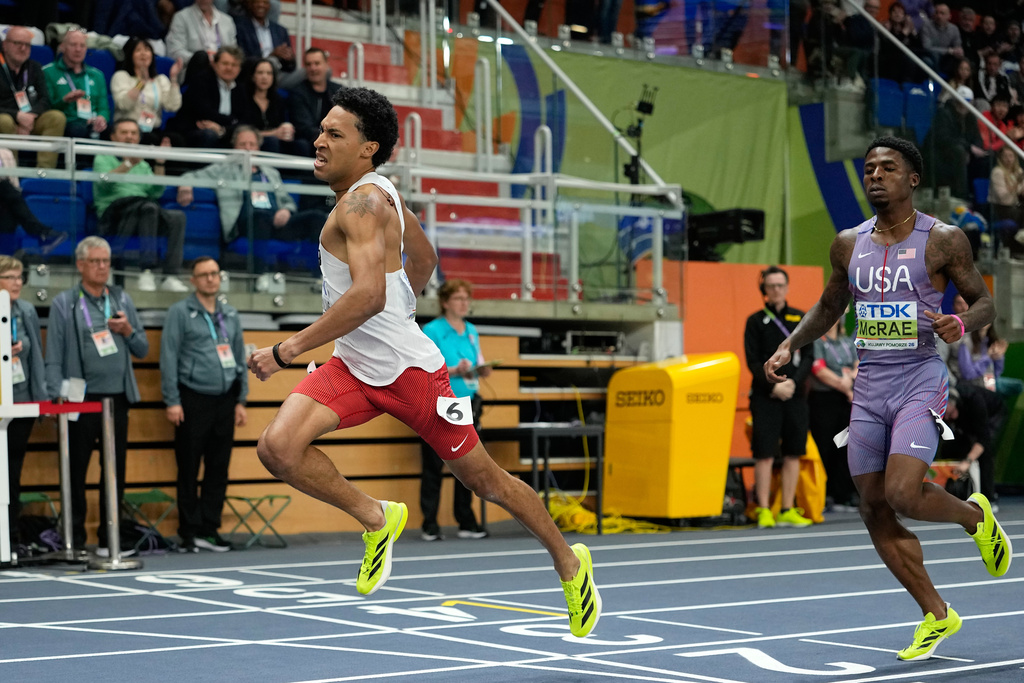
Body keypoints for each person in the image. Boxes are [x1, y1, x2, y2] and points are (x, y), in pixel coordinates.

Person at [245, 87, 600, 638]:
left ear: (369, 148)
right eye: (321, 130)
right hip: (353, 365)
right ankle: (375, 517)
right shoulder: (382, 192)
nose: (318, 140)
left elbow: (367, 296)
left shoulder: (362, 203)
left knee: (487, 483)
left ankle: (570, 563)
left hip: (411, 374)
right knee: (277, 447)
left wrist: (286, 350)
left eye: (335, 134)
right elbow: (425, 259)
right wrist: (399, 306)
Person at [764, 136, 1012, 661]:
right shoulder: (847, 244)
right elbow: (829, 307)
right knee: (874, 506)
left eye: (888, 168)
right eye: (869, 168)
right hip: (869, 385)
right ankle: (937, 615)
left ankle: (974, 517)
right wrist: (790, 342)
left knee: (902, 492)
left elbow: (986, 303)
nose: (875, 175)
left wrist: (960, 321)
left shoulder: (943, 240)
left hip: (920, 376)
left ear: (912, 178)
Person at [45, 237, 149, 554]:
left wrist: (128, 330)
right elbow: (54, 354)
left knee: (114, 472)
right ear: (80, 265)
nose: (103, 267)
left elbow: (142, 348)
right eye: (96, 261)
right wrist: (54, 396)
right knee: (75, 470)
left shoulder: (120, 299)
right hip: (80, 399)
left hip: (116, 399)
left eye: (106, 261)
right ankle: (74, 538)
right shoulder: (65, 302)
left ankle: (110, 538)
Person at [160, 256, 248, 553]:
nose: (211, 278)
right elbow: (169, 358)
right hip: (192, 398)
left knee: (218, 468)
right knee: (188, 467)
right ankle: (188, 532)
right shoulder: (180, 313)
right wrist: (172, 400)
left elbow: (238, 358)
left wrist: (241, 399)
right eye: (204, 274)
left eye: (215, 273)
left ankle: (209, 530)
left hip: (225, 401)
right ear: (193, 280)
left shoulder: (231, 314)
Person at [177, 125, 325, 259]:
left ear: (258, 148)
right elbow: (190, 176)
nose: (247, 149)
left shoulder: (270, 172)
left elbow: (287, 200)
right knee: (261, 217)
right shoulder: (223, 168)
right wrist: (185, 187)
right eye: (242, 144)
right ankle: (259, 276)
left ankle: (318, 279)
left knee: (316, 218)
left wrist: (286, 210)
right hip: (246, 224)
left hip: (276, 222)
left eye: (252, 144)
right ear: (234, 147)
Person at [419, 278, 491, 541]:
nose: (464, 304)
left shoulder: (472, 330)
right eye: (459, 299)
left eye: (466, 299)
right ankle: (429, 522)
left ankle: (465, 519)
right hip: (440, 402)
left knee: (470, 463)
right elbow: (425, 369)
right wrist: (454, 370)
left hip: (469, 402)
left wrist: (482, 369)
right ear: (445, 302)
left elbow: (478, 360)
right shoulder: (432, 330)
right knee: (433, 464)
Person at [743, 265, 815, 529]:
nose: (776, 290)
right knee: (764, 453)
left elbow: (809, 355)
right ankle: (763, 509)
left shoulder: (800, 318)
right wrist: (774, 386)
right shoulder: (754, 321)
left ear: (786, 287)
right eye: (771, 286)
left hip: (795, 395)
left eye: (780, 285)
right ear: (764, 290)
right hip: (766, 396)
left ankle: (786, 508)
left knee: (794, 452)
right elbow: (752, 361)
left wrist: (794, 383)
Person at [93, 118, 188, 292]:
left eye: (133, 133)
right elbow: (105, 184)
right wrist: (129, 163)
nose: (129, 137)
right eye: (124, 133)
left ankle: (170, 275)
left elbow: (156, 191)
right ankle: (147, 271)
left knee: (177, 217)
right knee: (148, 207)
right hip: (113, 212)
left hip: (143, 209)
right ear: (113, 137)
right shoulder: (103, 157)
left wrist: (160, 163)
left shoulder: (143, 165)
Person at [0, 254, 46, 547]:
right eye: (10, 277)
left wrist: (40, 398)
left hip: (22, 399)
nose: (17, 283)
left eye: (20, 277)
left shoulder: (26, 310)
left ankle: (11, 535)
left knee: (14, 470)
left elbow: (37, 358)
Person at [809, 316, 858, 511]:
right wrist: (842, 384)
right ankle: (823, 494)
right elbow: (818, 369)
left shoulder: (847, 342)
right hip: (823, 400)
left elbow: (857, 364)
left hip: (846, 401)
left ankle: (842, 495)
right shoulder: (818, 341)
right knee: (825, 447)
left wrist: (851, 380)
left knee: (845, 447)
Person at [0, 26, 67, 168]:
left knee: (56, 117)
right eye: (18, 43)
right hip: (5, 116)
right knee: (4, 121)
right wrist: (17, 116)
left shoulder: (34, 67)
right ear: (5, 45)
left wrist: (29, 117)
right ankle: (11, 173)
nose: (23, 48)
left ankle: (44, 174)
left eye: (27, 45)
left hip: (30, 118)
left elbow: (45, 100)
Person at [109, 37, 184, 147]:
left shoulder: (160, 79)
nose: (143, 54)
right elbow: (124, 104)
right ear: (130, 55)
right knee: (150, 140)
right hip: (129, 129)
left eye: (147, 50)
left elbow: (172, 106)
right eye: (138, 50)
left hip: (153, 128)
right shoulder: (121, 76)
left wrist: (173, 78)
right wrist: (141, 84)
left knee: (177, 140)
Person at [168, 46, 245, 148]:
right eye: (225, 63)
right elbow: (205, 113)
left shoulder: (241, 89)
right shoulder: (201, 80)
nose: (229, 68)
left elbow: (245, 119)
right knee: (209, 134)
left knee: (247, 139)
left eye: (234, 65)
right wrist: (231, 121)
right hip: (195, 129)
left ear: (239, 69)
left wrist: (223, 129)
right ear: (214, 64)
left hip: (226, 131)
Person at [41, 27, 109, 140]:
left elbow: (103, 107)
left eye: (82, 46)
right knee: (78, 130)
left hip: (91, 122)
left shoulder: (97, 75)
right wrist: (64, 101)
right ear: (62, 47)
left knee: (114, 132)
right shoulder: (48, 72)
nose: (78, 49)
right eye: (73, 45)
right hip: (67, 123)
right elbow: (46, 107)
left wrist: (102, 118)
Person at [0, 147, 69, 254]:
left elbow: (15, 185)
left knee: (9, 209)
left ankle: (6, 261)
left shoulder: (5, 153)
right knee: (5, 187)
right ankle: (41, 232)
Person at [287, 48, 342, 158]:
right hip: (311, 143)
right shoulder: (298, 93)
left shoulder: (339, 91)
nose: (313, 68)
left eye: (317, 63)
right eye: (309, 64)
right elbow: (304, 128)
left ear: (326, 64)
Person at [234, 0, 300, 89]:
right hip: (254, 74)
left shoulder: (280, 30)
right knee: (271, 61)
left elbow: (291, 67)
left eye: (265, 2)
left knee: (307, 74)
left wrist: (290, 59)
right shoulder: (240, 28)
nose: (261, 5)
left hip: (278, 74)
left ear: (269, 6)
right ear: (250, 5)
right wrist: (270, 56)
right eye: (257, 2)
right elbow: (242, 61)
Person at [237, 58, 294, 154]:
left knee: (301, 145)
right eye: (260, 73)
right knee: (272, 141)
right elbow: (242, 129)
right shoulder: (242, 98)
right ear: (253, 76)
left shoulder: (278, 100)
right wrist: (273, 133)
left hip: (276, 141)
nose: (264, 77)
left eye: (269, 73)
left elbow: (282, 124)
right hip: (250, 143)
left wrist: (287, 131)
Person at [166, 0, 239, 74]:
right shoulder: (181, 18)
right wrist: (205, 60)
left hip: (223, 70)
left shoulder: (227, 21)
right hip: (195, 71)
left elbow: (234, 52)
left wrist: (221, 61)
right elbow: (175, 51)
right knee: (202, 58)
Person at [920, 3, 963, 75]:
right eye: (936, 13)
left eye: (942, 13)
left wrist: (959, 51)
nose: (939, 16)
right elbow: (926, 47)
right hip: (929, 56)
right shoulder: (926, 25)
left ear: (949, 16)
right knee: (928, 60)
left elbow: (957, 46)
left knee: (960, 61)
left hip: (946, 59)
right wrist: (948, 51)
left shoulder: (954, 29)